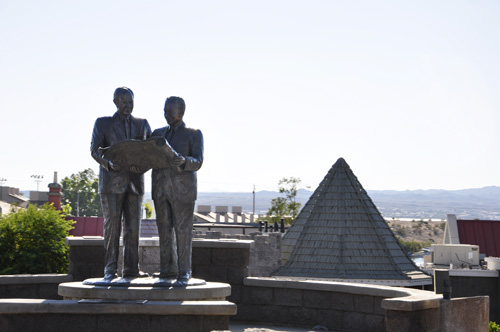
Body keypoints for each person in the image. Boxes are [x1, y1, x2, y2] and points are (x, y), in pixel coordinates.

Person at [91, 87, 152, 281]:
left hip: (135, 183)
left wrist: (142, 166)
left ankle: (132, 269)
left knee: (133, 228)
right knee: (112, 227)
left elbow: (152, 152)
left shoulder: (142, 124)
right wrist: (108, 164)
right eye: (124, 102)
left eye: (130, 101)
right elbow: (95, 150)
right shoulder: (103, 123)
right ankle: (110, 269)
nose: (128, 105)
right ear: (116, 103)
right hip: (111, 183)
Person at [152, 96, 203, 284]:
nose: (166, 114)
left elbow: (198, 161)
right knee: (164, 229)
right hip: (160, 189)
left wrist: (184, 161)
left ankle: (184, 271)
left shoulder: (193, 134)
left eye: (170, 111)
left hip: (183, 191)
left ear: (181, 112)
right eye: (164, 110)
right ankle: (166, 269)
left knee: (183, 231)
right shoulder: (157, 134)